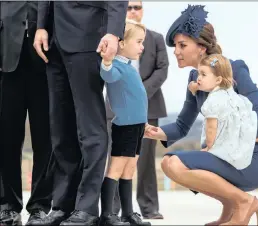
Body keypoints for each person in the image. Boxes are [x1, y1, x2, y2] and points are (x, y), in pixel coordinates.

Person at [144, 5, 258, 225]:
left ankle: (243, 202)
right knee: (169, 164)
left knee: (175, 163)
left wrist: (235, 139)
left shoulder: (232, 70)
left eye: (182, 45)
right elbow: (181, 126)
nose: (176, 51)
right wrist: (152, 132)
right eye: (176, 46)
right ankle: (232, 205)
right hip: (225, 157)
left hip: (251, 160)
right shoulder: (195, 80)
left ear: (202, 47)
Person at [33, 1, 128, 225]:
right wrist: (41, 25)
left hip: (87, 34)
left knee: (90, 128)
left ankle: (87, 208)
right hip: (54, 40)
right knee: (61, 129)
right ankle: (63, 205)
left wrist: (114, 33)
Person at [105, 1, 168, 220]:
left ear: (142, 10)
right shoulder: (114, 40)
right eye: (128, 7)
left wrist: (140, 91)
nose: (132, 11)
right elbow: (109, 74)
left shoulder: (156, 38)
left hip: (147, 107)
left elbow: (162, 70)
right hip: (120, 111)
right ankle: (112, 211)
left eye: (136, 7)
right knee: (116, 162)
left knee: (144, 161)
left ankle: (147, 207)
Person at [189, 54, 258, 177]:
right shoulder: (227, 91)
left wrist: (193, 87)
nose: (198, 79)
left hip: (228, 136)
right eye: (198, 74)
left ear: (218, 80)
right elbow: (210, 126)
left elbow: (211, 126)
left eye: (203, 75)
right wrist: (210, 147)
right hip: (235, 134)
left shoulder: (213, 99)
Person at [0, 2, 54, 225]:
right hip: (6, 65)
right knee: (6, 139)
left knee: (46, 140)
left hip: (44, 65)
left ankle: (40, 207)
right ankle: (7, 206)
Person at [99, 19, 151, 226]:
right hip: (125, 127)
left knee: (129, 170)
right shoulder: (117, 66)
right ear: (121, 43)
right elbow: (108, 75)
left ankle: (128, 213)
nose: (142, 46)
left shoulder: (129, 67)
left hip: (137, 127)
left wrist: (144, 123)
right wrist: (107, 61)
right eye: (138, 42)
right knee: (116, 169)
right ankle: (107, 214)